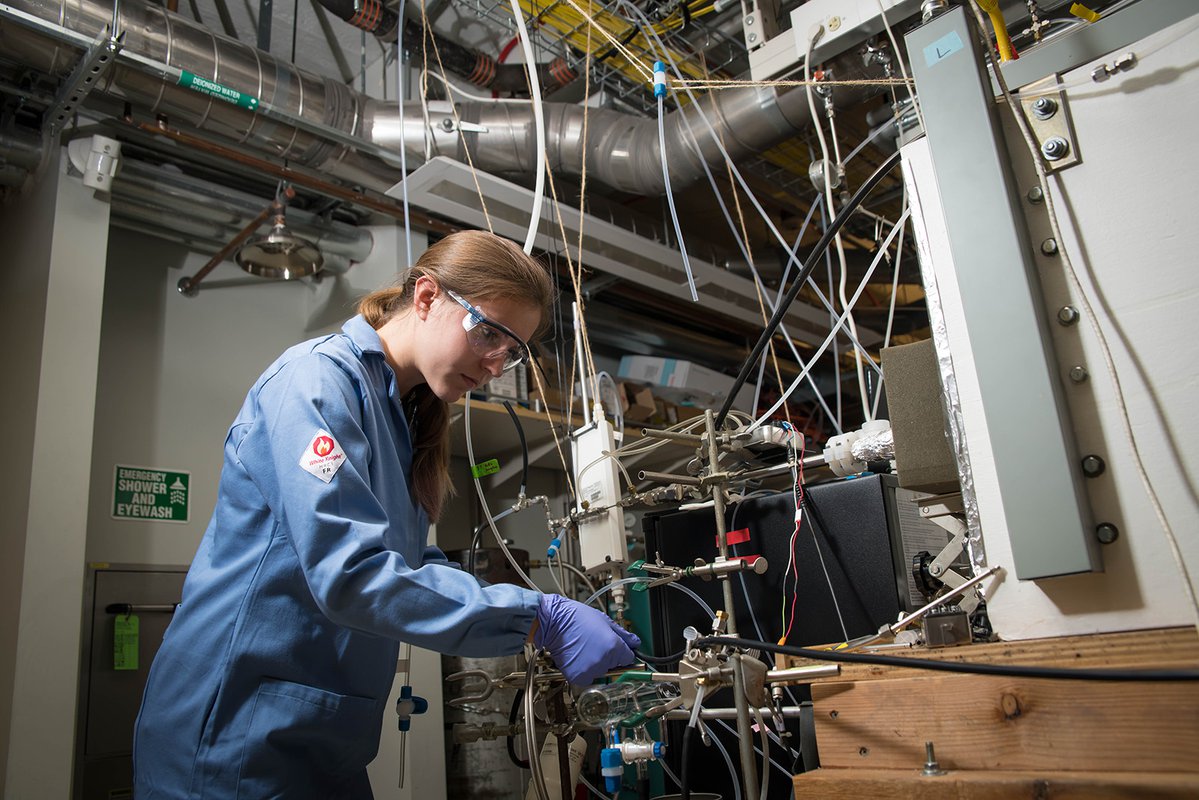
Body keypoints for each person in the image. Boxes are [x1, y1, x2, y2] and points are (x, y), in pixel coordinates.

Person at [133, 230, 640, 799]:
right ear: (426, 297)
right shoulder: (316, 385)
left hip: (321, 742)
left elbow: (412, 564)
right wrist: (535, 616)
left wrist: (542, 620)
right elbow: (351, 575)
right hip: (234, 739)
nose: (498, 362)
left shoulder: (401, 418)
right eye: (489, 332)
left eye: (514, 349)